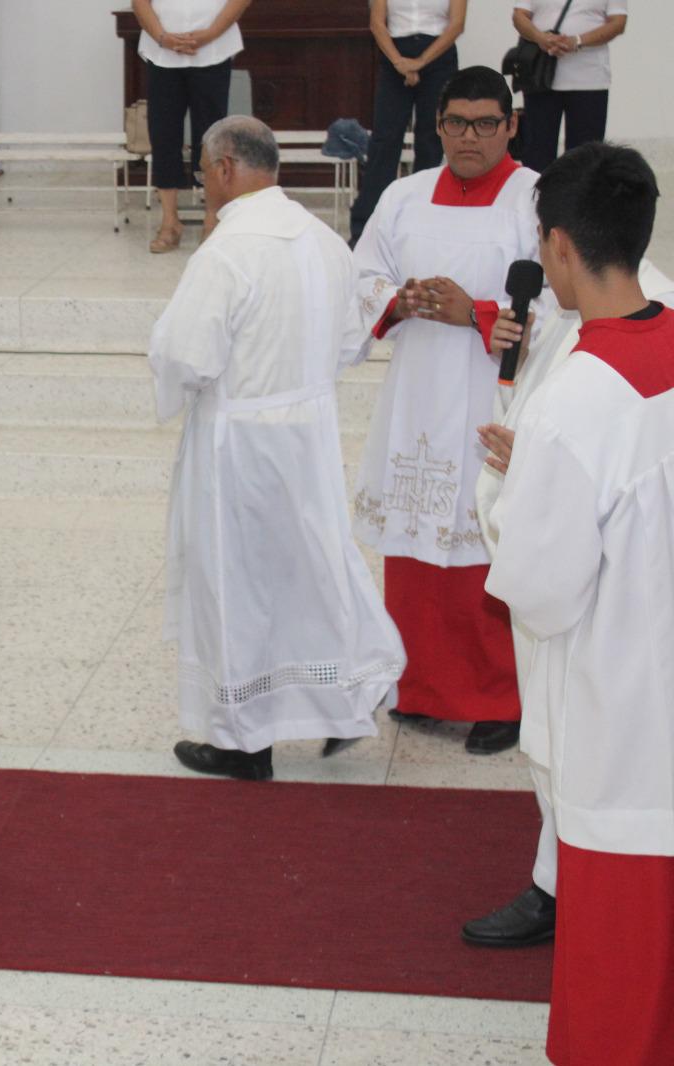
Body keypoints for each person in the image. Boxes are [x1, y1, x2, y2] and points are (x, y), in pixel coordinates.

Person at [481, 142, 673, 1065]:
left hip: (627, 716)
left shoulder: (575, 401)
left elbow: (543, 593)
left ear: (557, 247)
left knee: (621, 976)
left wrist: (517, 496)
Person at [149, 116, 405, 781]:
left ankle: (242, 741)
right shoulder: (323, 240)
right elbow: (354, 342)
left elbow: (187, 356)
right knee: (313, 564)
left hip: (239, 446)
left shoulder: (228, 252)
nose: (206, 185)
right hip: (308, 434)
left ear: (227, 167)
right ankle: (348, 692)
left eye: (205, 172)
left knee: (238, 583)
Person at [460, 256, 673, 951]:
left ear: (561, 242)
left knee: (591, 760)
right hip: (637, 587)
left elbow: (542, 587)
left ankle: (573, 895)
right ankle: (565, 882)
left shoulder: (599, 365)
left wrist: (528, 477)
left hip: (607, 608)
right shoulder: (623, 319)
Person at [351, 66, 545, 756]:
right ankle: (421, 686)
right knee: (413, 540)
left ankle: (500, 698)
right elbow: (363, 274)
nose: (470, 137)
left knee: (484, 543)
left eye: (486, 123)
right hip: (418, 396)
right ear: (435, 126)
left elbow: (560, 300)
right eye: (457, 123)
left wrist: (479, 313)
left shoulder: (536, 200)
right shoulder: (402, 197)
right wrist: (398, 302)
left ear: (511, 125)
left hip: (493, 395)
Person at [130, 0, 252, 253]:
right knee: (163, 135)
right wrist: (162, 38)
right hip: (162, 50)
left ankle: (212, 218)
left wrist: (210, 34)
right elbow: (140, 2)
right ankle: (169, 222)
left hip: (213, 48)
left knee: (212, 139)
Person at [348, 0, 467, 245]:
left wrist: (420, 62)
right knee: (385, 140)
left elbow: (456, 25)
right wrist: (400, 63)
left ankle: (424, 220)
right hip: (395, 54)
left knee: (431, 139)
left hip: (438, 55)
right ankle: (365, 228)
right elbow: (377, 24)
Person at [512, 0, 628, 174]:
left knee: (586, 157)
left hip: (589, 80)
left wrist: (578, 41)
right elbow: (519, 15)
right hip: (540, 77)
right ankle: (536, 199)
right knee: (537, 153)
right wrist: (540, 38)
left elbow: (618, 22)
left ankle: (582, 200)